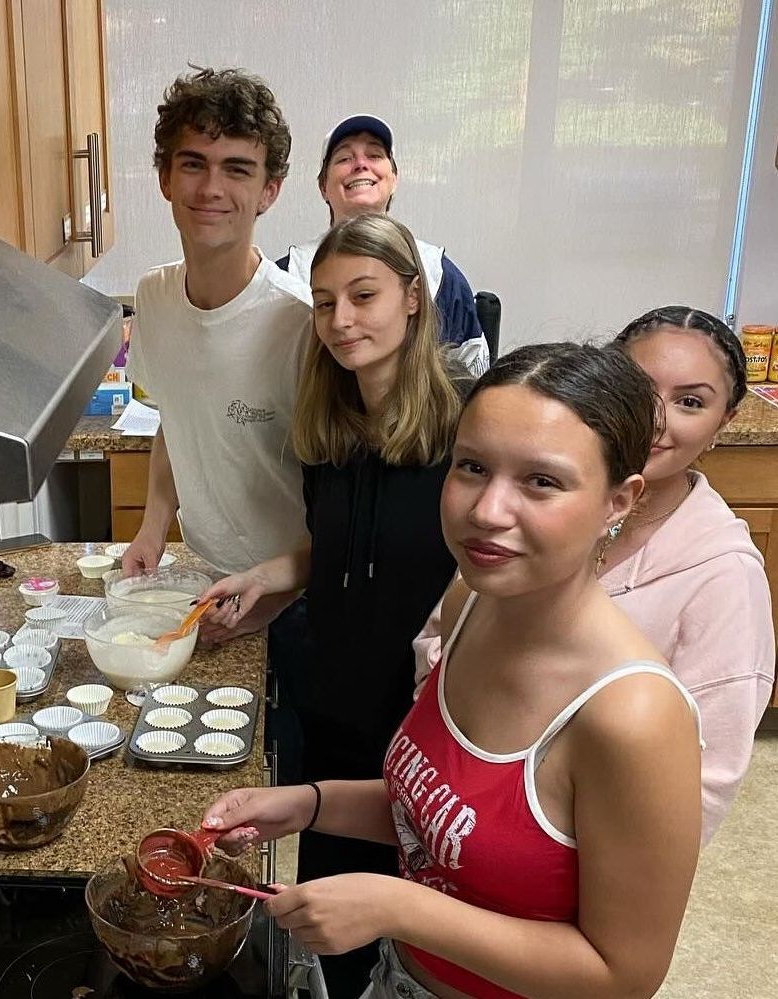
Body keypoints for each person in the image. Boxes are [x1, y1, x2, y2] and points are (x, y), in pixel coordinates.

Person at [203, 343, 703, 999]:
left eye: (541, 481)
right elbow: (445, 821)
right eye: (471, 466)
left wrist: (397, 907)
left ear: (618, 499)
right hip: (402, 976)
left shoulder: (628, 716)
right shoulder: (470, 602)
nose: (486, 509)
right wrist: (306, 803)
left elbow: (622, 974)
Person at [201, 212, 463, 995]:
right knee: (328, 917)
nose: (341, 321)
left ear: (412, 298)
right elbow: (342, 550)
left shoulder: (466, 428)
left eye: (363, 295)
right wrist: (268, 575)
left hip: (418, 716)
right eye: (323, 303)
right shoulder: (331, 420)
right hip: (334, 702)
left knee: (405, 919)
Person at [415, 307, 775, 845]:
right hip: (454, 822)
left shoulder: (721, 572)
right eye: (639, 388)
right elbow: (444, 640)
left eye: (690, 402)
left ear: (724, 422)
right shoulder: (528, 515)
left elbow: (703, 782)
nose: (656, 419)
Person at [121, 67, 312, 639]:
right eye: (193, 164)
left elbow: (351, 508)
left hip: (294, 596)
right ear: (165, 179)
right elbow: (174, 421)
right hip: (208, 579)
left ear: (268, 192)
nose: (210, 189)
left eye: (237, 169)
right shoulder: (153, 297)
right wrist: (155, 525)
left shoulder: (301, 323)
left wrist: (275, 598)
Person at [277, 114, 489, 374]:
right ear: (323, 187)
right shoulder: (288, 275)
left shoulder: (439, 274)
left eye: (375, 155)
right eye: (344, 158)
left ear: (394, 179)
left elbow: (474, 378)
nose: (360, 165)